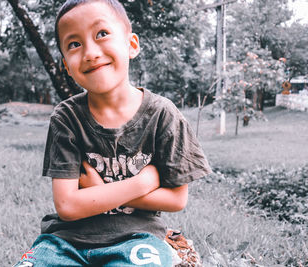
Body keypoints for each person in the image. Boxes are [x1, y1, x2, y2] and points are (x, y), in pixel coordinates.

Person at [14, 0, 211, 266]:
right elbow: (68, 206)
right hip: (65, 241)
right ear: (66, 66)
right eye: (74, 44)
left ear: (131, 45)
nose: (90, 52)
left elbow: (176, 199)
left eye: (102, 34)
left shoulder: (162, 115)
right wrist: (139, 184)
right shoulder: (67, 118)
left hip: (138, 238)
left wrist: (99, 190)